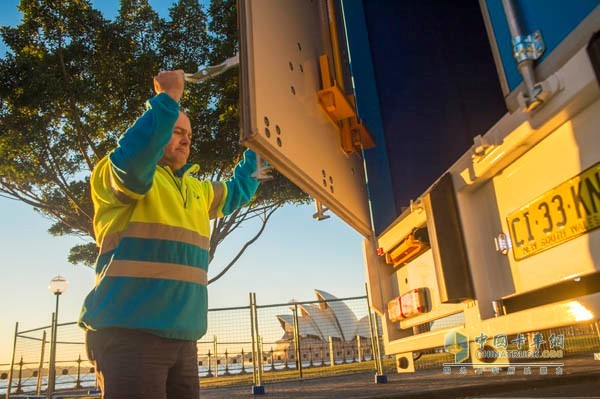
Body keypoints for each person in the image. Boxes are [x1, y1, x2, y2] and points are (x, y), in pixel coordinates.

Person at [78, 70, 260, 399]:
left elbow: (237, 191)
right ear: (157, 130)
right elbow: (133, 163)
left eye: (188, 134)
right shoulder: (115, 175)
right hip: (129, 335)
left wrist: (258, 148)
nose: (186, 139)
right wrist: (168, 100)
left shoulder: (197, 190)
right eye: (176, 131)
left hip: (184, 339)